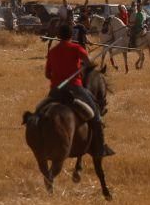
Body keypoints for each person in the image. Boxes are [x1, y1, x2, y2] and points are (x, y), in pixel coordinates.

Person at [45, 23, 113, 157]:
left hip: (56, 90)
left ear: (58, 36)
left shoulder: (52, 52)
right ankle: (99, 149)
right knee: (97, 117)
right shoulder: (76, 48)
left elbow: (47, 74)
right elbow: (88, 63)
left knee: (41, 113)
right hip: (75, 88)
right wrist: (82, 67)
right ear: (71, 36)